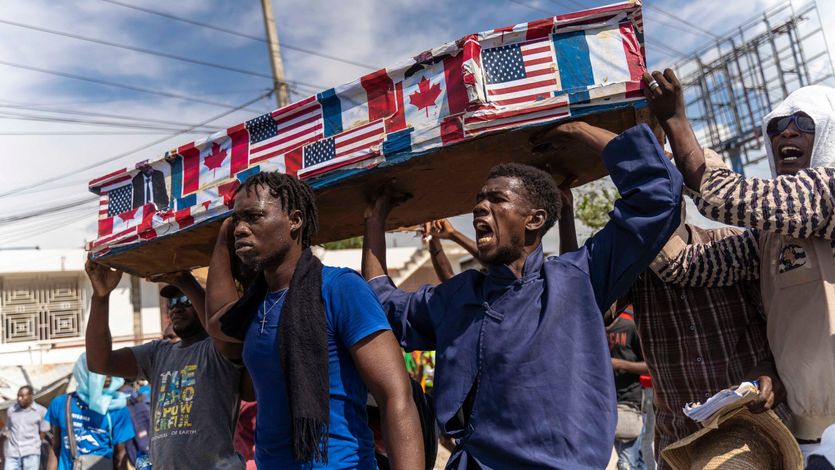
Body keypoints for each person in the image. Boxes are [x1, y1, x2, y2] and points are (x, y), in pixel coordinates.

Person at [362, 120, 683, 469]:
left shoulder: (577, 278)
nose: (479, 208)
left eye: (496, 199)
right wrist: (375, 219)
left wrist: (575, 129)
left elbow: (658, 192)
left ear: (534, 219)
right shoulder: (457, 296)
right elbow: (383, 304)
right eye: (478, 200)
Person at [555, 120, 788, 470]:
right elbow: (581, 299)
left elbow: (776, 327)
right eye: (644, 207)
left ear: (676, 196)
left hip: (748, 430)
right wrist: (565, 215)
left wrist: (766, 372)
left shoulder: (729, 243)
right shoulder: (636, 270)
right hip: (680, 437)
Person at [644, 68, 835, 458]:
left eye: (803, 123)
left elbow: (721, 195)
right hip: (805, 433)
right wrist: (646, 183)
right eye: (778, 126)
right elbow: (687, 267)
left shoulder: (829, 192)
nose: (786, 132)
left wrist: (676, 120)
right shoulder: (767, 239)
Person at [204, 172, 424, 469]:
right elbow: (216, 321)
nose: (241, 229)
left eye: (253, 217)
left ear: (295, 220)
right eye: (236, 221)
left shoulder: (340, 288)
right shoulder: (254, 306)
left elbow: (396, 396)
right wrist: (222, 235)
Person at [84, 264, 244, 469]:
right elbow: (99, 362)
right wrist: (100, 296)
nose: (176, 307)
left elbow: (224, 334)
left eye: (184, 300)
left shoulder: (219, 350)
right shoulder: (158, 353)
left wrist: (184, 280)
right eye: (171, 302)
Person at [45, 354, 134, 470]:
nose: (108, 376)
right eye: (100, 372)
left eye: (109, 370)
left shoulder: (117, 407)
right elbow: (56, 446)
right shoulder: (60, 404)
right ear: (83, 374)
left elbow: (120, 455)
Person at [606, 303, 649, 470]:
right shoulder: (593, 329)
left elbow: (649, 366)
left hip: (628, 402)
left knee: (627, 463)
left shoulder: (630, 327)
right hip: (603, 403)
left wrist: (619, 364)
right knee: (635, 461)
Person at [0, 386, 49, 470]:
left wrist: (34, 444)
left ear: (30, 396)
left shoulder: (41, 411)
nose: (19, 398)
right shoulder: (12, 410)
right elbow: (8, 429)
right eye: (18, 396)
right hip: (13, 453)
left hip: (31, 453)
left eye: (22, 396)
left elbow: (43, 431)